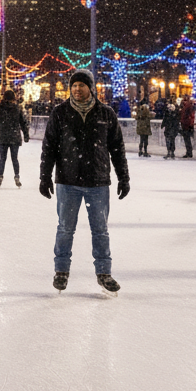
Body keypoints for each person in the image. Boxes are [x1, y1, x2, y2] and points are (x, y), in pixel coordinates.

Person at [39, 70, 129, 294]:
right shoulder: (60, 113)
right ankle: (61, 271)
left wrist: (123, 177)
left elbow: (117, 148)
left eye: (81, 85)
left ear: (91, 87)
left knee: (100, 230)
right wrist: (45, 176)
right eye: (74, 85)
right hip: (67, 181)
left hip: (97, 181)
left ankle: (104, 273)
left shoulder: (105, 114)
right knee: (65, 229)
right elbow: (49, 147)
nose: (77, 89)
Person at [0, 89, 30, 187]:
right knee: (15, 158)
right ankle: (17, 176)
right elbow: (23, 123)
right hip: (14, 136)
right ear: (13, 98)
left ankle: (0, 176)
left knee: (2, 158)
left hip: (3, 136)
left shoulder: (0, 108)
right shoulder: (17, 108)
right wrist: (26, 134)